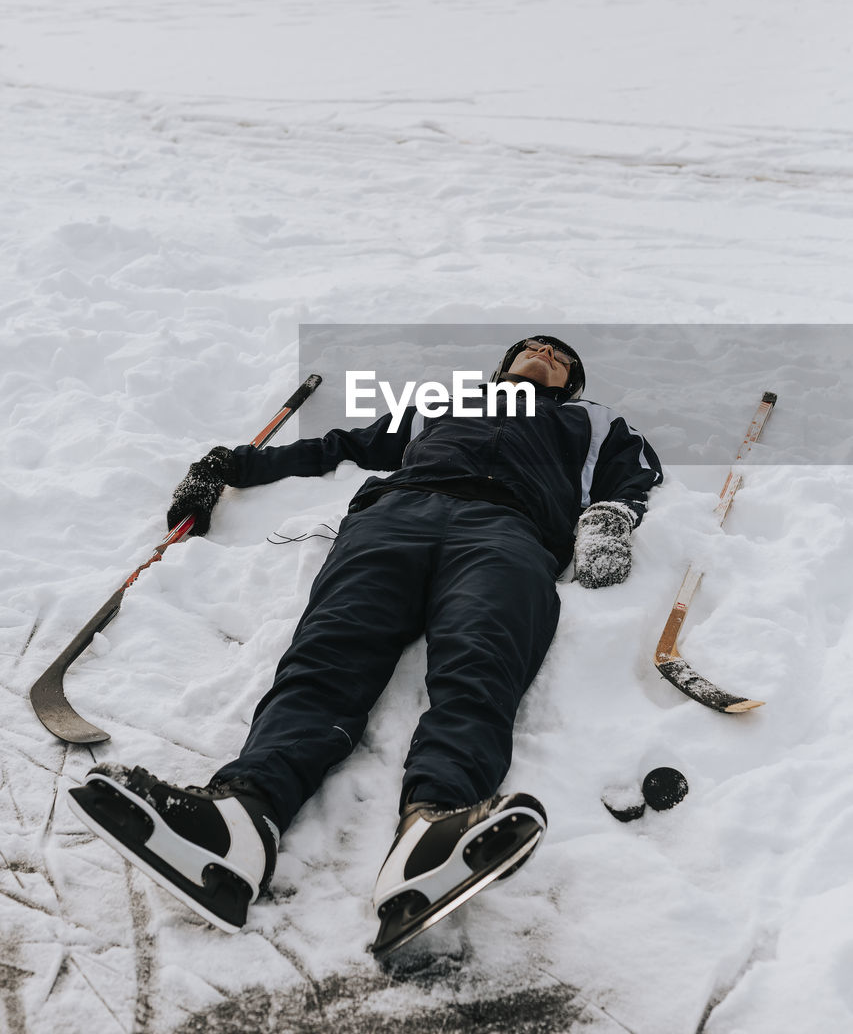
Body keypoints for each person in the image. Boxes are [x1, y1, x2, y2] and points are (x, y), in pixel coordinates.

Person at [68, 337, 663, 958]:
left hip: (507, 531)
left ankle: (434, 829)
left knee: (481, 666)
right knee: (328, 656)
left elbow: (632, 477)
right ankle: (240, 820)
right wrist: (232, 466)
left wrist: (609, 520)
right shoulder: (446, 402)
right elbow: (344, 447)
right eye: (532, 346)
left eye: (559, 354)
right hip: (395, 516)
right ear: (503, 365)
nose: (544, 352)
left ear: (571, 380)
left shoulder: (591, 422)